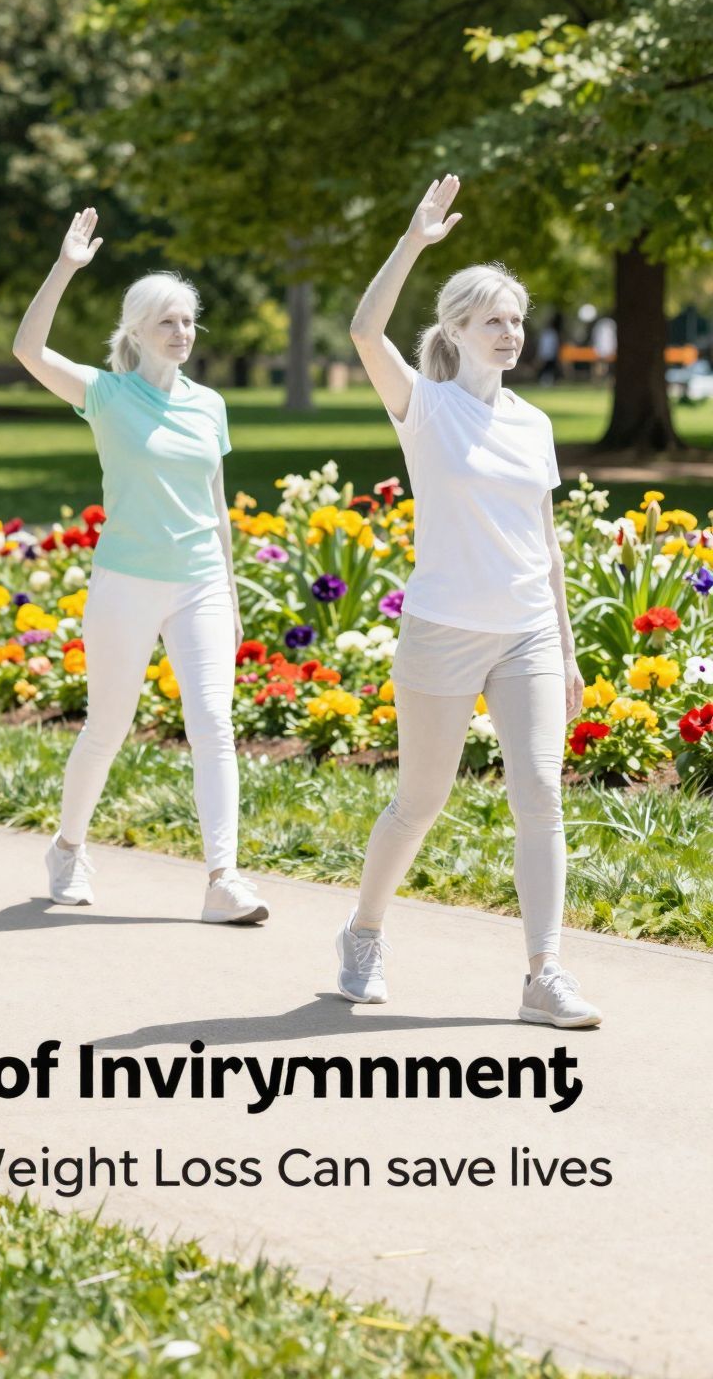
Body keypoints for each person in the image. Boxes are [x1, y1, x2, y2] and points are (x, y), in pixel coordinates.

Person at [342, 175, 600, 1029]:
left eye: (517, 320)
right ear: (454, 329)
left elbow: (547, 542)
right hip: (444, 628)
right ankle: (364, 932)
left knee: (540, 791)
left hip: (524, 633)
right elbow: (363, 330)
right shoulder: (426, 407)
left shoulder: (534, 423)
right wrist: (414, 240)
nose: (510, 332)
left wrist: (563, 648)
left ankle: (543, 975)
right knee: (421, 800)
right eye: (492, 319)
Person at [12, 207, 268, 925]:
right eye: (169, 323)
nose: (183, 334)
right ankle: (67, 848)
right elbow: (29, 349)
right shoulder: (105, 395)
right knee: (108, 726)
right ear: (137, 330)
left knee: (213, 722)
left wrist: (230, 585)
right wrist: (65, 265)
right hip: (125, 583)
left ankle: (224, 878)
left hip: (200, 586)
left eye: (190, 322)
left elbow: (215, 504)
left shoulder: (209, 405)